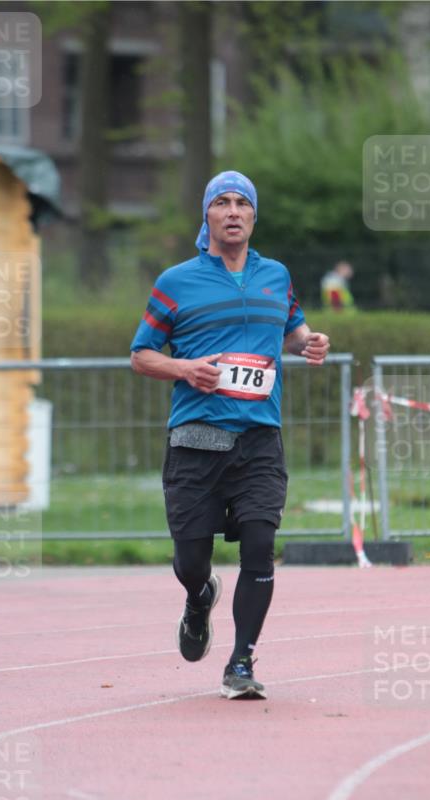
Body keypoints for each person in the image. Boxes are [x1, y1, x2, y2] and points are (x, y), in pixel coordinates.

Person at [130, 170, 329, 700]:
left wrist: (309, 342)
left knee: (260, 546)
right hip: (197, 439)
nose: (234, 211)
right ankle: (199, 597)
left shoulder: (276, 276)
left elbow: (292, 326)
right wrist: (186, 369)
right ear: (208, 216)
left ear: (254, 216)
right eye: (223, 202)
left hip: (259, 439)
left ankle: (241, 662)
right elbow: (141, 355)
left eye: (244, 203)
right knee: (192, 559)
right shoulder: (176, 282)